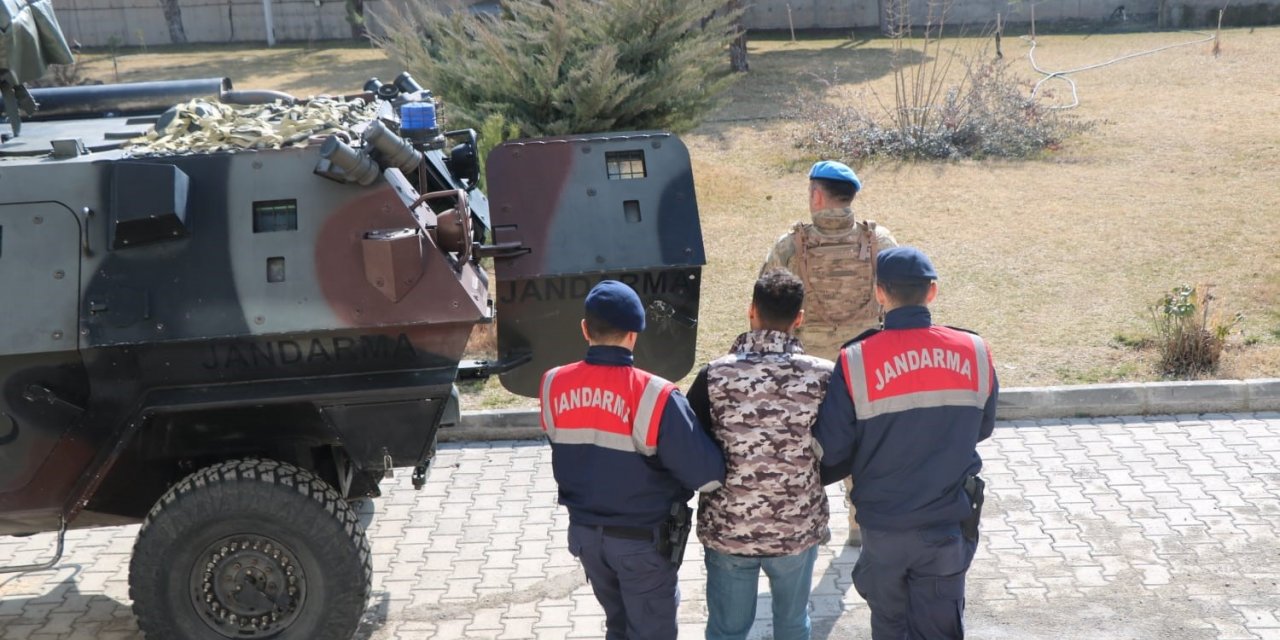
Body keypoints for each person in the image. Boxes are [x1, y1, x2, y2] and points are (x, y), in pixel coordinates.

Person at [813, 246, 998, 640]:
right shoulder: (975, 351)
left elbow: (834, 449)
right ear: (932, 292)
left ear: (880, 293)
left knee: (890, 627)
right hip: (945, 526)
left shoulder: (856, 359)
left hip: (884, 529)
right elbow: (982, 428)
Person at [539, 280, 726, 640]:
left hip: (586, 541)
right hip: (642, 545)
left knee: (618, 626)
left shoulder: (551, 384)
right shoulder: (656, 395)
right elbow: (707, 475)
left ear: (584, 329)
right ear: (634, 335)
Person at [685, 269, 833, 640]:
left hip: (729, 530)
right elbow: (842, 446)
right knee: (793, 625)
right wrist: (809, 482)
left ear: (751, 310)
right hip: (796, 529)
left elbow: (687, 445)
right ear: (798, 319)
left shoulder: (714, 375)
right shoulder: (825, 377)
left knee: (727, 631)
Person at [761, 159, 898, 546]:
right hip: (866, 363)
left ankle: (811, 524)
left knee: (808, 442)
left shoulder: (790, 245)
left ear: (817, 196)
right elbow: (897, 298)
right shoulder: (879, 241)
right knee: (864, 438)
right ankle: (861, 522)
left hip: (808, 365)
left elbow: (768, 300)